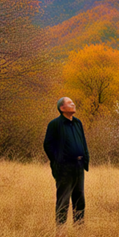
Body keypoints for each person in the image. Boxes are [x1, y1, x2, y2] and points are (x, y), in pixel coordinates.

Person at [43, 96, 89, 226]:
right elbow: (48, 145)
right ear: (62, 108)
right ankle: (60, 232)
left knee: (79, 199)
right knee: (63, 200)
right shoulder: (55, 124)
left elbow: (83, 142)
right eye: (70, 103)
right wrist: (58, 161)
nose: (73, 104)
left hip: (79, 166)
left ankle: (79, 230)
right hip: (65, 167)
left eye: (73, 102)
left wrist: (85, 159)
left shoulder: (77, 123)